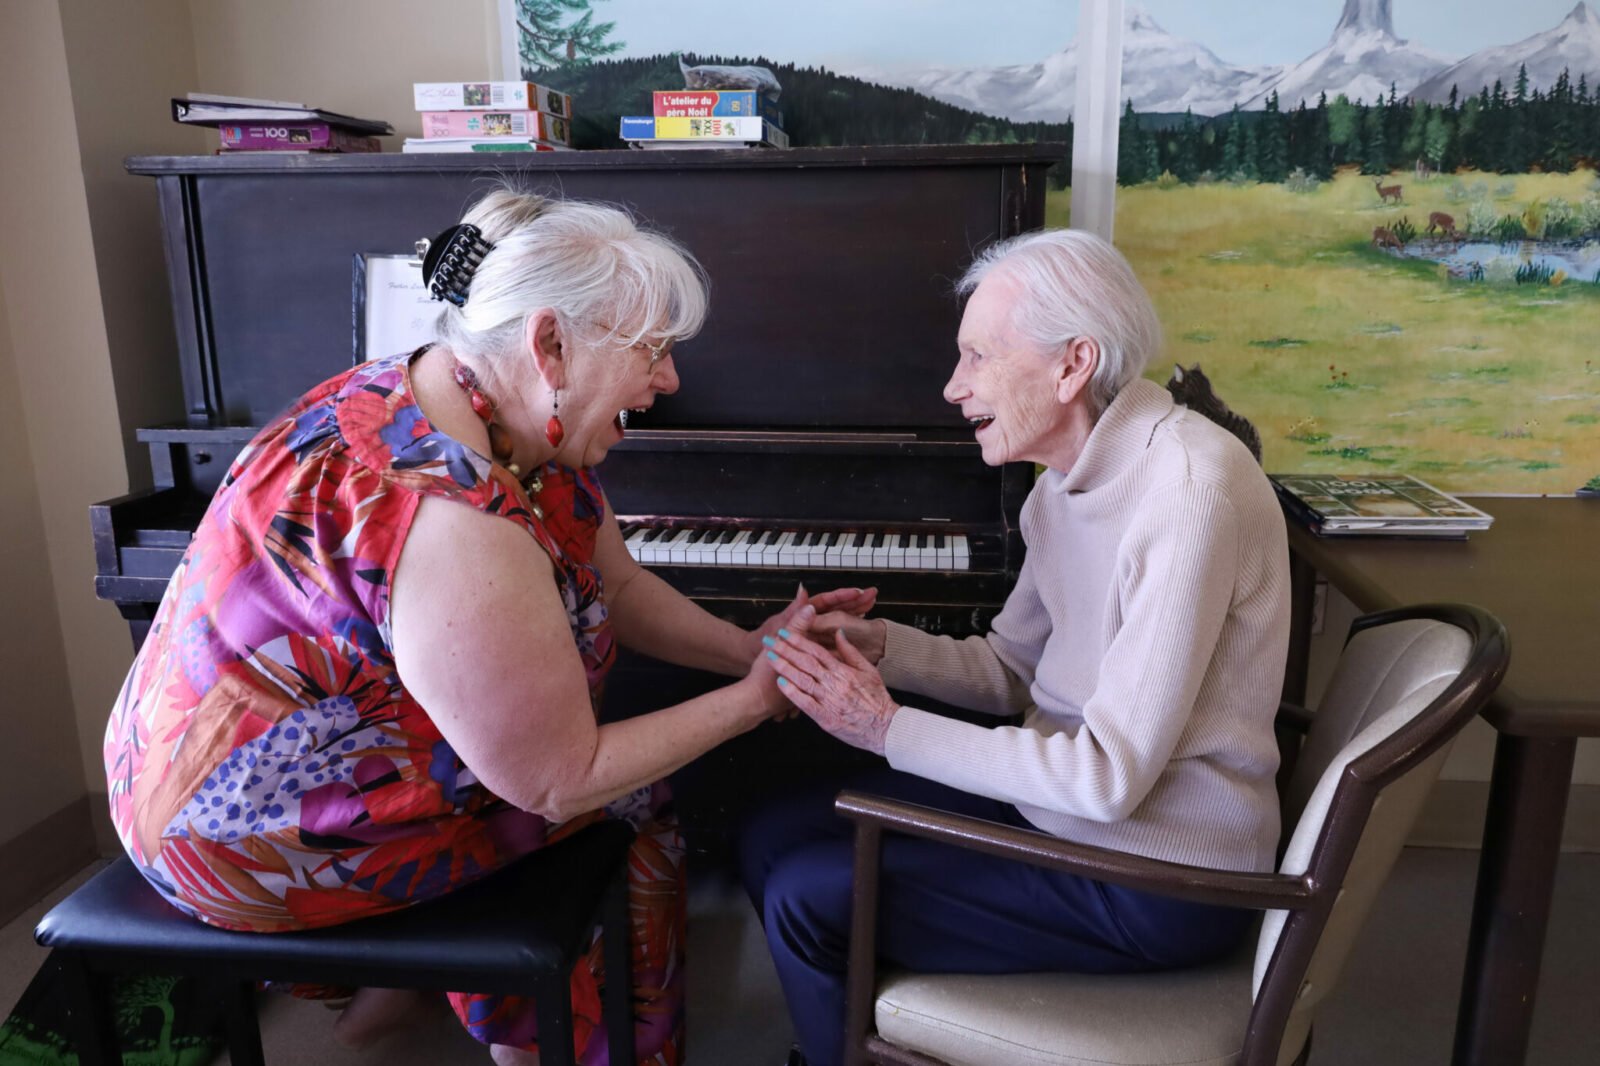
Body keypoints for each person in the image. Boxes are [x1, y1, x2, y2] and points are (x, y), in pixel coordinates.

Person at [102, 188, 872, 1066]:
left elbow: (612, 582)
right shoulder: (457, 522)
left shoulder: (446, 390)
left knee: (592, 772)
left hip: (182, 763)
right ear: (550, 344)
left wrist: (751, 647)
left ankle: (414, 994)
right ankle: (562, 1042)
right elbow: (557, 779)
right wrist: (754, 700)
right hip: (246, 831)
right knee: (629, 806)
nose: (670, 381)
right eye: (651, 351)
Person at [746, 229, 1291, 1066]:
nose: (953, 386)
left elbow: (1107, 779)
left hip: (1159, 877)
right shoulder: (1063, 489)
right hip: (1065, 817)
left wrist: (884, 728)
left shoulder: (1188, 494)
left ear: (1073, 365)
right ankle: (862, 1033)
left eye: (978, 357)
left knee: (805, 897)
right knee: (772, 830)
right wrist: (880, 644)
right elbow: (1014, 672)